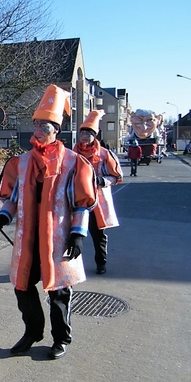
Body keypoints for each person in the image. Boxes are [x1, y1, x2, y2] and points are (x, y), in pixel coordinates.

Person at [0, 85, 97, 360]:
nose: (38, 130)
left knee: (59, 292)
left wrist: (77, 234)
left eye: (44, 126)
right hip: (28, 239)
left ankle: (61, 339)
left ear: (56, 131)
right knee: (22, 287)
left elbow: (82, 203)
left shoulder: (74, 163)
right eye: (36, 124)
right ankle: (33, 332)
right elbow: (12, 198)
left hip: (58, 240)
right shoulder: (21, 163)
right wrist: (3, 215)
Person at [73, 110, 123, 274]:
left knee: (98, 235)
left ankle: (101, 263)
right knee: (73, 235)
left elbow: (117, 176)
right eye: (83, 133)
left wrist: (103, 181)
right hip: (76, 201)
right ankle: (70, 266)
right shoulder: (72, 154)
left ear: (95, 136)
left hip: (97, 203)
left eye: (89, 133)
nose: (85, 136)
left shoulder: (104, 154)